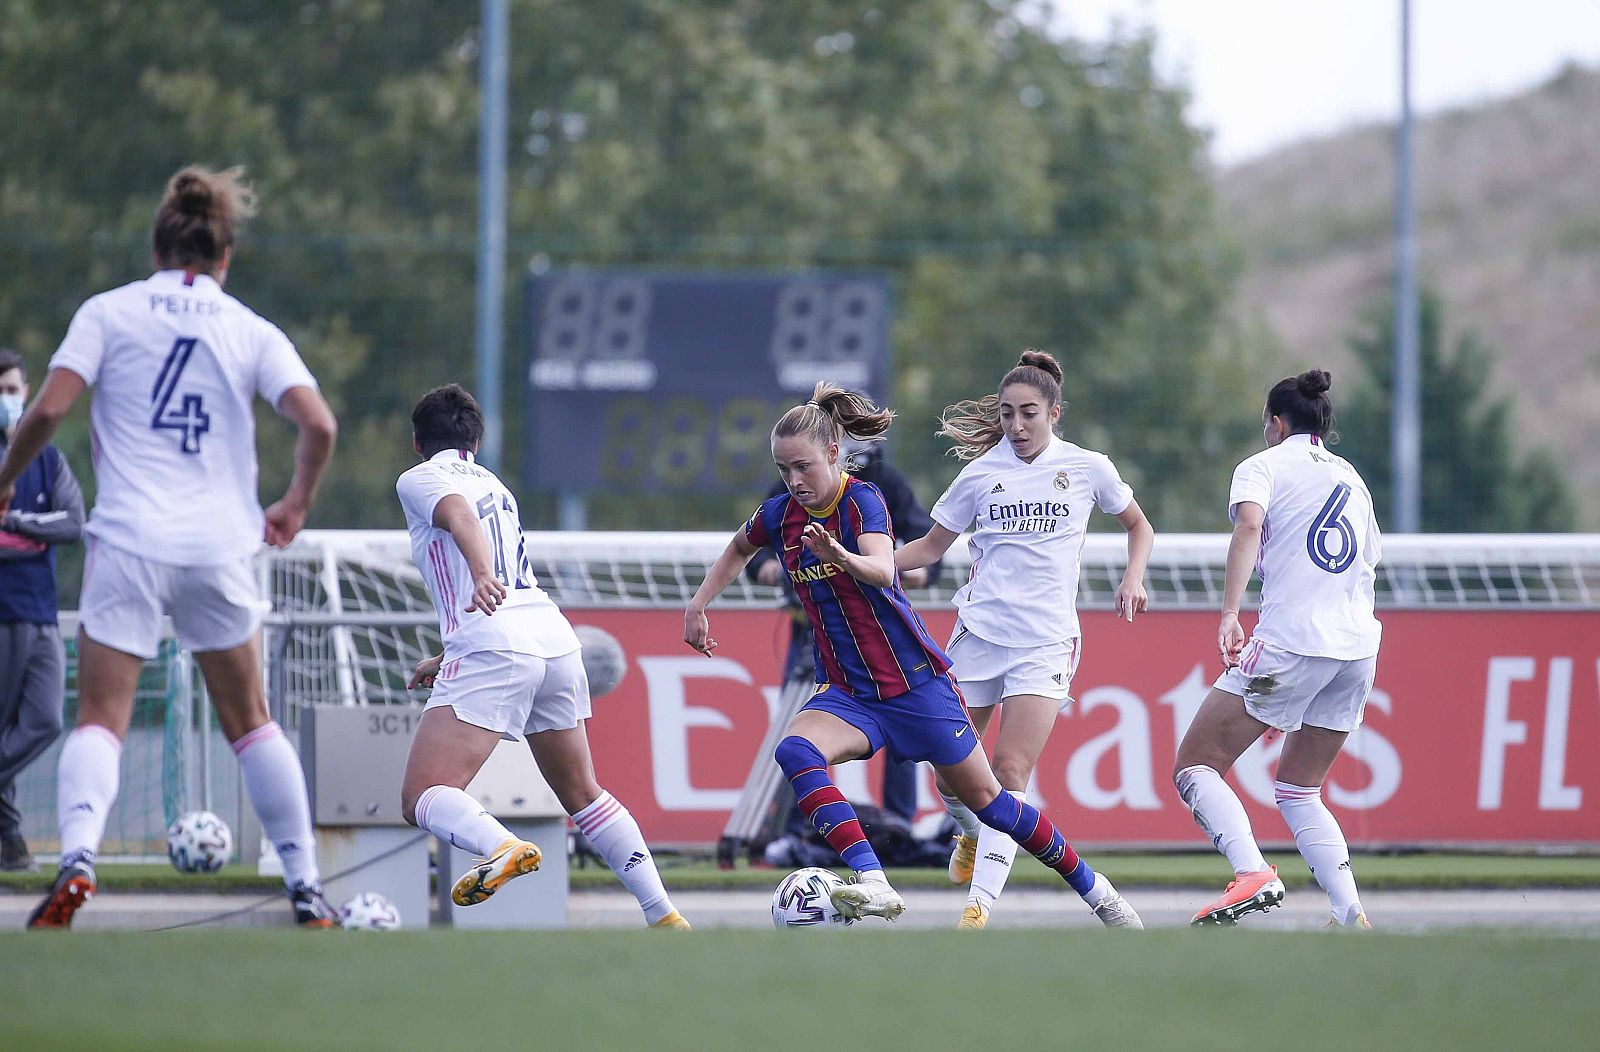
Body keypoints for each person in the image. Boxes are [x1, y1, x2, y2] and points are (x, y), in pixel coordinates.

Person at [0, 166, 340, 928]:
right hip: (219, 544)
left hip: (128, 542)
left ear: (157, 247)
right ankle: (305, 884)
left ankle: (78, 859)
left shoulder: (108, 313)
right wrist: (294, 502)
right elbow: (319, 424)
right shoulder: (248, 327)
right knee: (251, 721)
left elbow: (50, 407)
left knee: (99, 717)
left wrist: (5, 479)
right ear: (224, 258)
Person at [683, 382, 1142, 928]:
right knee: (797, 753)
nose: (794, 481)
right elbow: (739, 547)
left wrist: (838, 554)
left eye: (802, 467)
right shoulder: (780, 514)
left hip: (915, 687)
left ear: (834, 454)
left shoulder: (862, 500)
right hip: (849, 693)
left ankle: (1099, 892)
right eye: (784, 470)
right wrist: (699, 604)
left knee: (994, 802)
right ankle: (874, 882)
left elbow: (881, 568)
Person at [397, 384, 688, 930]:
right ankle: (663, 913)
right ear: (476, 441)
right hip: (552, 639)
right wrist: (448, 652)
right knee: (583, 793)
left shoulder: (420, 478)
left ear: (417, 442)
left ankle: (502, 846)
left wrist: (482, 575)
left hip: (495, 639)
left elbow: (457, 516)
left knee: (422, 796)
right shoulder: (498, 486)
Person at [894, 349, 1154, 929]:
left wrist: (1133, 576)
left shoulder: (1088, 468)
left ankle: (977, 910)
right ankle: (967, 834)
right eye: (1008, 414)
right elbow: (929, 549)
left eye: (1028, 413)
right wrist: (860, 562)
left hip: (1045, 642)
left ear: (1054, 413)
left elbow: (1139, 524)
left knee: (1009, 775)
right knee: (949, 766)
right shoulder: (981, 474)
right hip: (979, 633)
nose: (1016, 426)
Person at [1171, 369, 1381, 929]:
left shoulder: (1261, 466)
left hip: (1293, 639)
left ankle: (1251, 872)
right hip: (1357, 646)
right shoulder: (1353, 479)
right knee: (1298, 787)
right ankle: (1349, 911)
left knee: (1195, 765)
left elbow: (1248, 527)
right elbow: (1367, 564)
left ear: (1275, 423)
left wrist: (1230, 613)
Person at [746, 440, 942, 841]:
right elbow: (752, 547)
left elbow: (924, 545)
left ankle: (899, 823)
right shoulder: (791, 489)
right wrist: (765, 567)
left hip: (877, 628)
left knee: (902, 723)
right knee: (800, 729)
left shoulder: (881, 486)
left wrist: (906, 570)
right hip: (818, 626)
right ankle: (798, 824)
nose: (798, 480)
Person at [0, 349, 85, 871]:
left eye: (12, 389)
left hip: (42, 611)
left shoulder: (48, 459)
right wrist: (36, 528)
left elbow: (73, 524)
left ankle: (8, 839)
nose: (7, 400)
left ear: (27, 393)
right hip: (3, 613)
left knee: (46, 720)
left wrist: (15, 525)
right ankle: (10, 843)